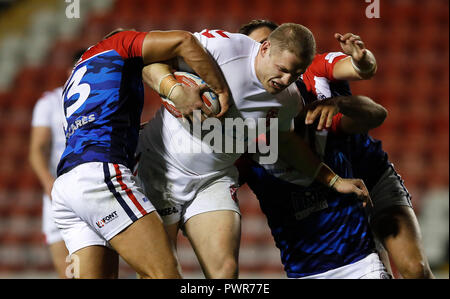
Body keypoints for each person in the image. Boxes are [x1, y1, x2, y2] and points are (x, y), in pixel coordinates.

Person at [137, 23, 371, 278]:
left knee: (225, 273)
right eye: (282, 70)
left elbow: (284, 142)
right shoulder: (222, 48)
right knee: (161, 273)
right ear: (266, 48)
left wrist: (334, 180)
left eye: (295, 74)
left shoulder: (289, 99)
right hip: (160, 168)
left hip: (212, 179)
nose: (285, 81)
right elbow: (149, 62)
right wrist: (173, 89)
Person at [238, 19, 434, 279]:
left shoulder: (315, 71)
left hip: (369, 172)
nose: (266, 50)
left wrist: (356, 70)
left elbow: (364, 72)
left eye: (271, 41)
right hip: (334, 192)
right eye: (257, 46)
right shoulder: (247, 108)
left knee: (414, 270)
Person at [50, 28, 231, 279]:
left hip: (67, 189)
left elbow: (98, 128)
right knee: (164, 274)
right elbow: (184, 40)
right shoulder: (119, 44)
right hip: (99, 178)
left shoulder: (78, 76)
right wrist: (221, 90)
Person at [29, 50, 84, 278]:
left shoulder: (103, 99)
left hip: (89, 188)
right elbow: (37, 149)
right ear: (69, 71)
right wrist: (48, 183)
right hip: (58, 191)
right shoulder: (50, 102)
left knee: (94, 271)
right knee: (68, 274)